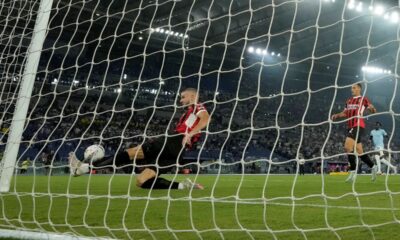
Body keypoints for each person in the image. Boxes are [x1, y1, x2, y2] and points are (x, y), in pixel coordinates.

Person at [69, 88, 210, 190]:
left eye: (183, 97)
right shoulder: (189, 113)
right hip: (172, 148)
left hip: (173, 144)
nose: (180, 100)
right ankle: (183, 186)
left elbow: (205, 119)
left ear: (192, 96)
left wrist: (190, 134)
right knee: (137, 171)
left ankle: (83, 168)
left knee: (135, 166)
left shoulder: (198, 106)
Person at [331, 83, 377, 182]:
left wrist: (372, 108)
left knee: (347, 147)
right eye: (351, 88)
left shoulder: (363, 99)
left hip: (358, 125)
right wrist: (337, 115)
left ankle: (352, 172)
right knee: (360, 152)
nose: (352, 89)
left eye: (354, 88)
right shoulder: (349, 100)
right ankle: (373, 166)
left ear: (359, 89)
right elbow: (345, 113)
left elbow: (373, 111)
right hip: (351, 126)